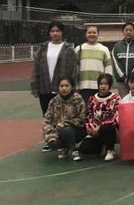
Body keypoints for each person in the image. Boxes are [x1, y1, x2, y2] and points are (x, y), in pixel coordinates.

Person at [31, 20, 78, 152]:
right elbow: (36, 68)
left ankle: (63, 142)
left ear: (62, 32)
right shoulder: (43, 48)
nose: (55, 33)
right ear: (49, 33)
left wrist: (72, 87)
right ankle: (50, 140)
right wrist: (34, 85)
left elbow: (73, 70)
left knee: (63, 117)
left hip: (63, 89)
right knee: (47, 116)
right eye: (52, 31)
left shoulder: (68, 49)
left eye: (57, 31)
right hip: (45, 87)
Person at [79, 73, 121, 162]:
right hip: (95, 130)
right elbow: (89, 115)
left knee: (106, 128)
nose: (103, 86)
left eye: (106, 84)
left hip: (111, 129)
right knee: (84, 149)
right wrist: (92, 128)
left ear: (110, 85)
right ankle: (101, 146)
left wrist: (100, 127)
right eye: (101, 84)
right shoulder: (92, 99)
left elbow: (116, 117)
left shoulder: (116, 98)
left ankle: (110, 149)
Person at [43, 77, 86, 161]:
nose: (64, 88)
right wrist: (50, 136)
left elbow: (82, 119)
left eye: (66, 86)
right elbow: (47, 120)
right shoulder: (54, 101)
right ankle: (65, 147)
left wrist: (65, 124)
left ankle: (74, 150)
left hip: (77, 130)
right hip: (58, 130)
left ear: (72, 87)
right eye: (61, 86)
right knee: (52, 143)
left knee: (66, 130)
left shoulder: (78, 99)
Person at [75, 25, 113, 102]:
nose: (92, 34)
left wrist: (107, 84)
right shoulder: (78, 49)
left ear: (98, 34)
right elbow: (75, 69)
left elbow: (108, 69)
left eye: (94, 32)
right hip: (83, 87)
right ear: (85, 34)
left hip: (100, 87)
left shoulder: (104, 49)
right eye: (89, 32)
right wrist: (76, 86)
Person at [111, 21, 134, 97]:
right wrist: (124, 78)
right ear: (123, 31)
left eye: (131, 30)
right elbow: (116, 64)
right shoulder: (117, 46)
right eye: (126, 30)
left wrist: (132, 78)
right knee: (125, 102)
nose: (128, 32)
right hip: (121, 82)